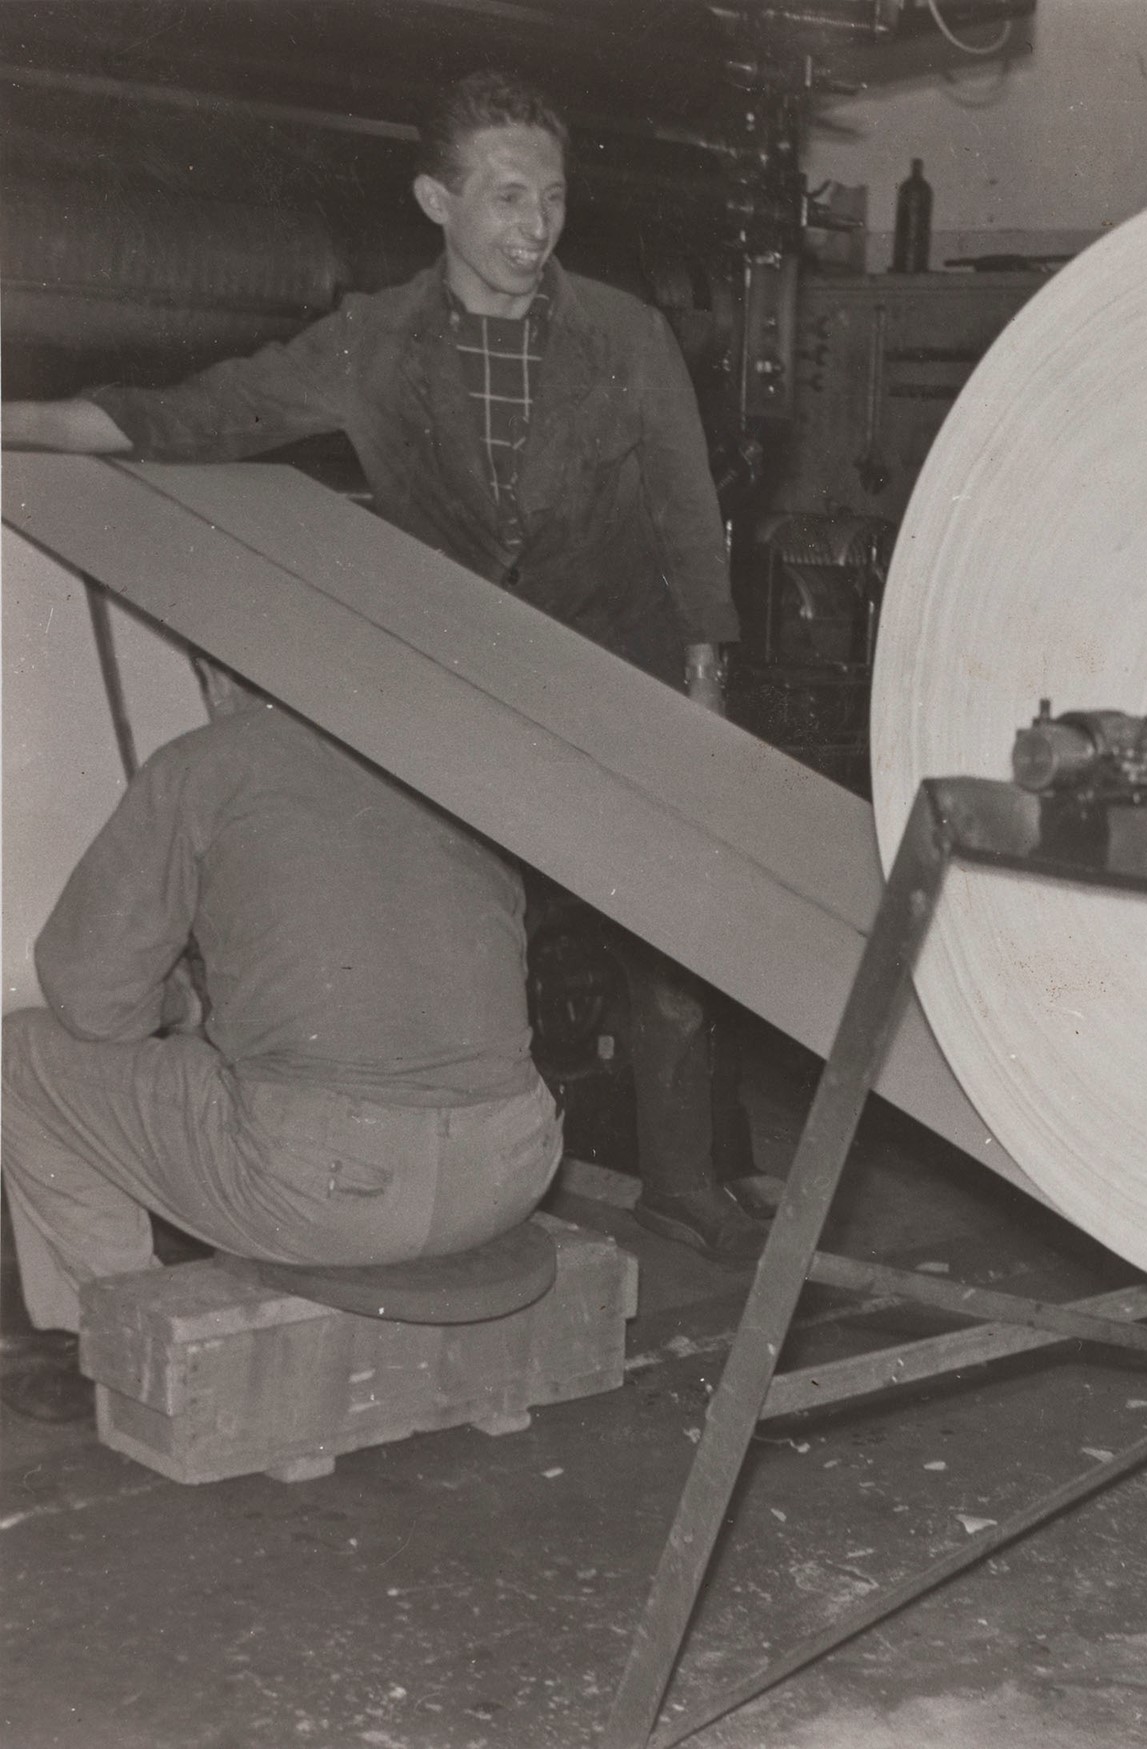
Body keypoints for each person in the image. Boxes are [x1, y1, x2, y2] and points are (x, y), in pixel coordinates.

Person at [2, 69, 765, 1261]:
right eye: (506, 198)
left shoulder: (626, 334)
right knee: (454, 932)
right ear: (435, 202)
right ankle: (428, 1150)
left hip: (611, 682)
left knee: (664, 953)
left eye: (553, 198)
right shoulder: (375, 342)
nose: (536, 227)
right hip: (452, 694)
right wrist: (18, 422)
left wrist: (702, 702)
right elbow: (194, 414)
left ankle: (684, 1180)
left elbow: (685, 519)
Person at [0, 661, 564, 1421]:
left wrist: (178, 1001)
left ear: (216, 675)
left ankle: (113, 1335)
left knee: (19, 1055)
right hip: (511, 1169)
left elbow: (89, 999)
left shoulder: (206, 764)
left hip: (327, 1192)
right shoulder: (445, 764)